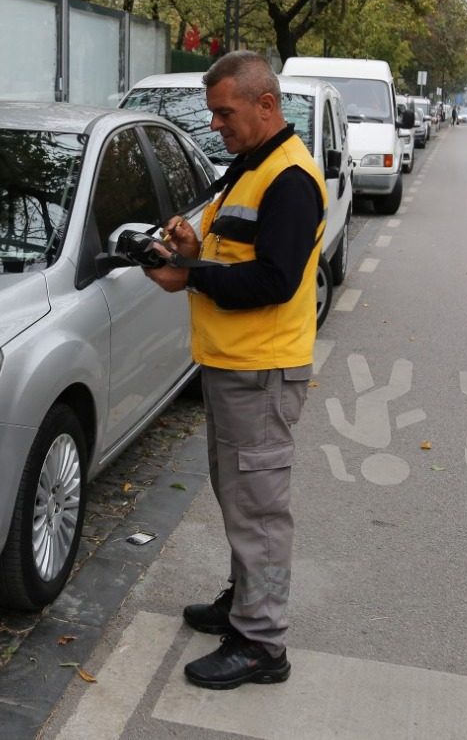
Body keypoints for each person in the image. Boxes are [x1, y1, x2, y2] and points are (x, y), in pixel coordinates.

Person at [142, 50, 325, 690]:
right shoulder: (250, 167)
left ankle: (262, 643)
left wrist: (189, 274)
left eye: (225, 112)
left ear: (265, 105)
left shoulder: (290, 180)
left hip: (263, 372)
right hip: (231, 367)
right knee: (238, 498)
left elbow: (273, 280)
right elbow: (236, 252)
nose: (215, 124)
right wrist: (195, 250)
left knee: (260, 510)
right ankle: (244, 603)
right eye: (213, 113)